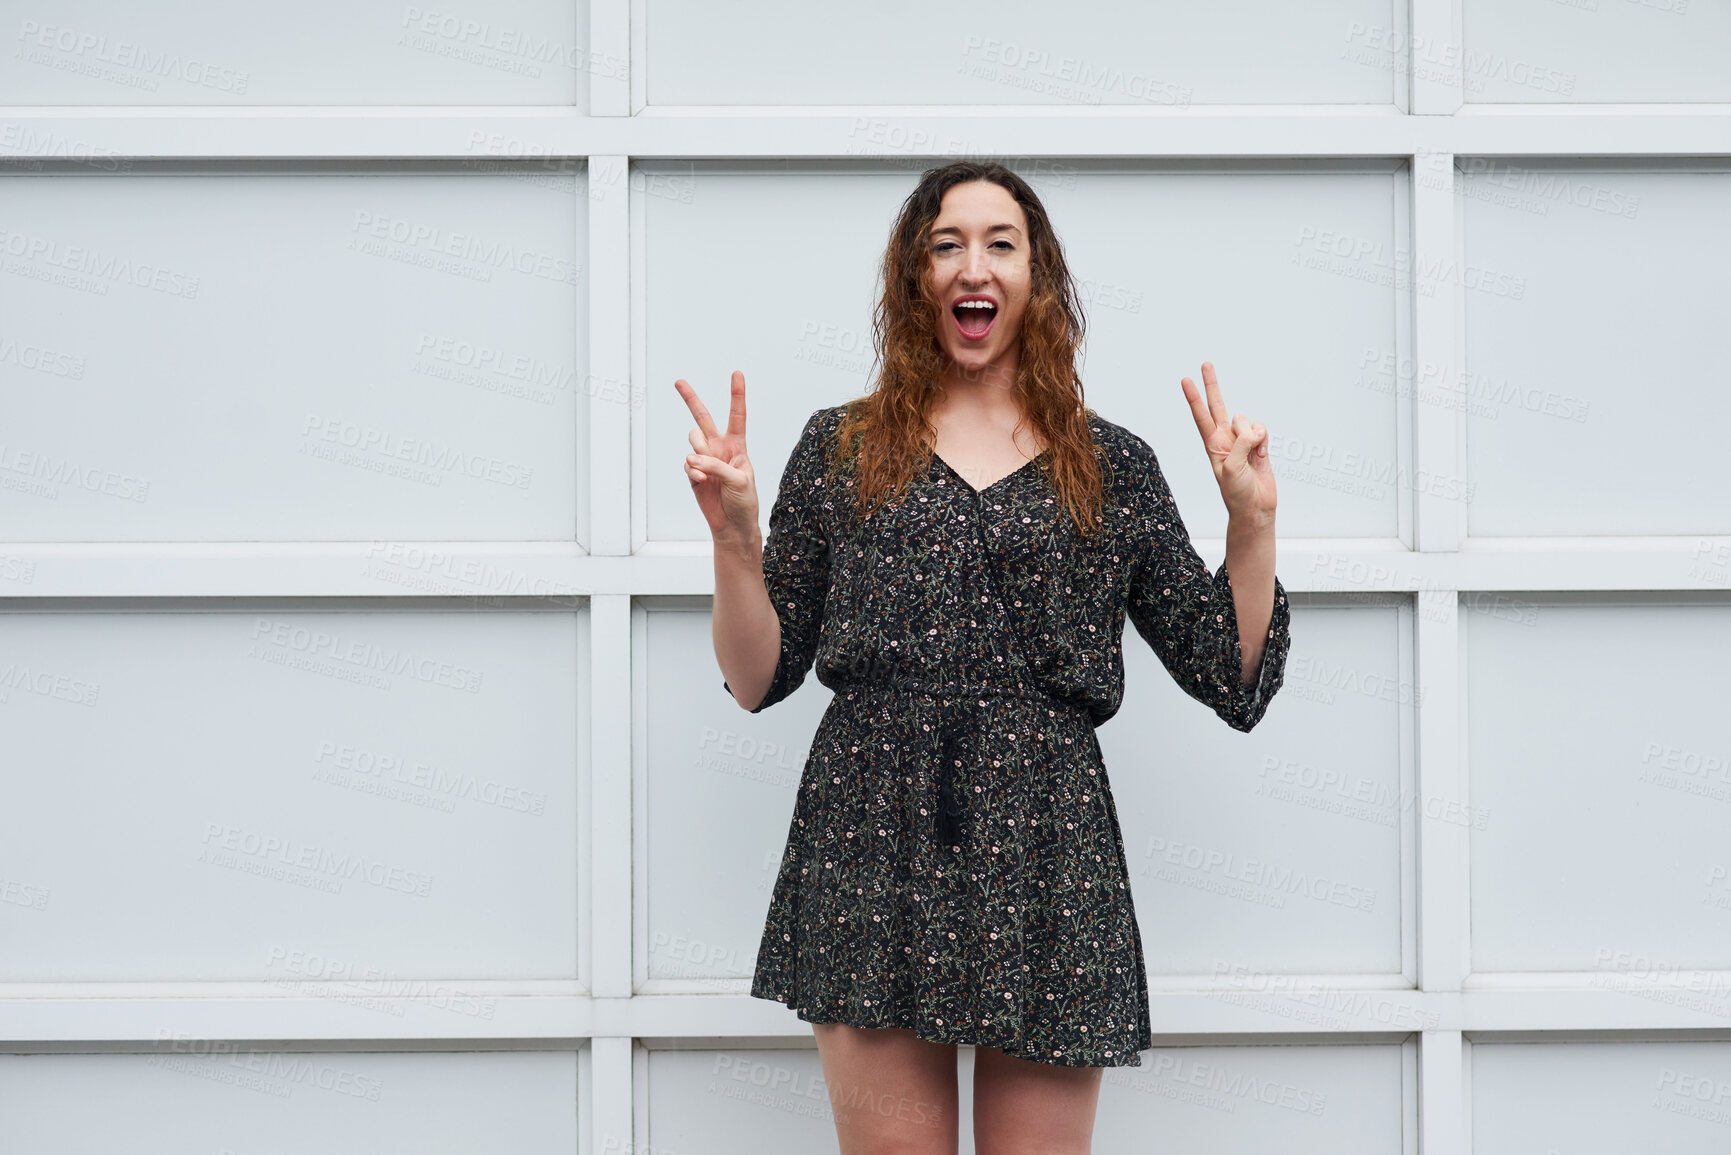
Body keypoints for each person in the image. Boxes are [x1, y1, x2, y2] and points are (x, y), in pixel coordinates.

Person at [674, 160, 1291, 1155]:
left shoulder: (1112, 462)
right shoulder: (839, 446)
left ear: (1038, 279)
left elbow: (1230, 672)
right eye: (946, 243)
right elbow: (756, 679)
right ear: (916, 279)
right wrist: (735, 540)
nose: (975, 264)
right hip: (871, 825)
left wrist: (1251, 526)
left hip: (1049, 836)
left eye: (1002, 243)